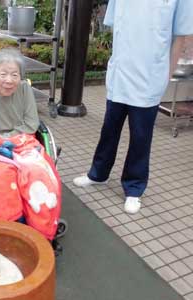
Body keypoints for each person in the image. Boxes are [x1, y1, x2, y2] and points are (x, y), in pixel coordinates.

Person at [73, 0, 193, 214]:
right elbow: (116, 31)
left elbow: (180, 37)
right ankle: (97, 174)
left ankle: (134, 188)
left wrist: (166, 75)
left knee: (140, 136)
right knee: (109, 129)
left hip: (150, 76)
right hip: (121, 74)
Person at [0, 48, 62, 243]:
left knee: (38, 173)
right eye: (3, 74)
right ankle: (9, 229)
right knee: (0, 176)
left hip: (23, 141)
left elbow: (30, 124)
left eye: (14, 74)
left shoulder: (25, 90)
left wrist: (6, 138)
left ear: (21, 77)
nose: (9, 80)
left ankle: (41, 232)